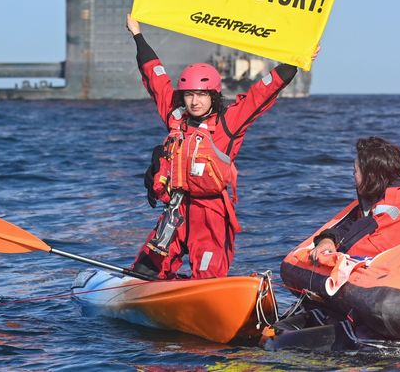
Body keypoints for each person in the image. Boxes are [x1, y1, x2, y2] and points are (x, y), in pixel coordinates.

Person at [126, 14, 299, 280]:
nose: (195, 101)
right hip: (176, 211)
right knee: (144, 272)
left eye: (202, 95)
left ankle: (206, 297)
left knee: (207, 276)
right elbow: (154, 75)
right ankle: (144, 289)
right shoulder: (175, 117)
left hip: (211, 215)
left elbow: (263, 91)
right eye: (189, 94)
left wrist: (297, 59)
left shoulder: (229, 122)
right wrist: (137, 34)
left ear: (214, 96)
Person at [307, 136, 400, 265]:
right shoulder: (386, 195)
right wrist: (328, 240)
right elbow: (349, 226)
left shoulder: (396, 203)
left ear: (370, 176)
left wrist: (329, 253)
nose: (353, 176)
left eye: (355, 171)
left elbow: (352, 248)